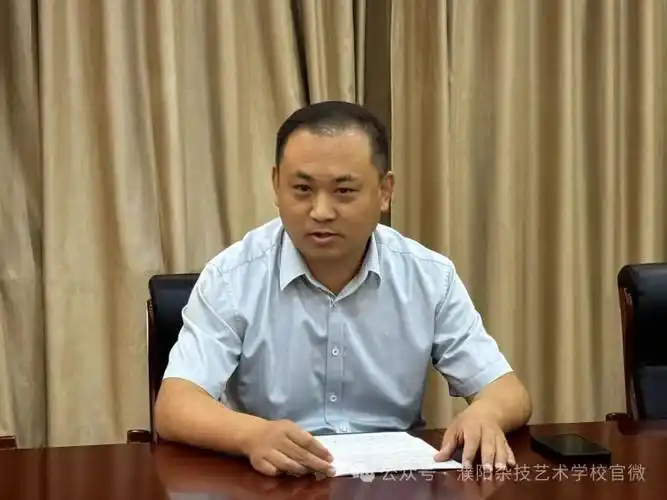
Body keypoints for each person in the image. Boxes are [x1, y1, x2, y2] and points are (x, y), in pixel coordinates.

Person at [154, 100, 532, 478]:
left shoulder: (429, 277)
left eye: (344, 191)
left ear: (384, 191)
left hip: (394, 482)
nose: (321, 211)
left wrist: (486, 412)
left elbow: (507, 391)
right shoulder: (232, 277)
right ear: (276, 185)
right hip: (273, 478)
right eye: (302, 189)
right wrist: (251, 435)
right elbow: (175, 404)